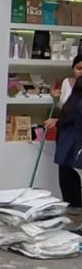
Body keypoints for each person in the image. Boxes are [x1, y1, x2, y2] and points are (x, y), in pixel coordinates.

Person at [52, 58, 82, 211]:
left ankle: (72, 216)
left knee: (70, 190)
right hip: (74, 145)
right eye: (79, 68)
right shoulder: (68, 85)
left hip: (67, 145)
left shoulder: (74, 101)